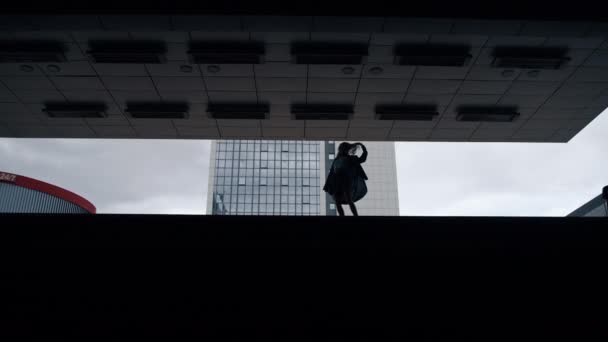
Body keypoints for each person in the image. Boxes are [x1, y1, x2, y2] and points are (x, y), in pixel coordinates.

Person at [323, 142, 368, 216]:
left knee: (348, 198)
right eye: (341, 149)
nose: (342, 150)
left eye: (343, 149)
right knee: (337, 201)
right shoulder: (336, 160)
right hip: (336, 181)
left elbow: (362, 159)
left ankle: (356, 215)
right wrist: (329, 184)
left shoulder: (350, 158)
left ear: (346, 150)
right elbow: (332, 172)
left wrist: (364, 150)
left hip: (346, 179)